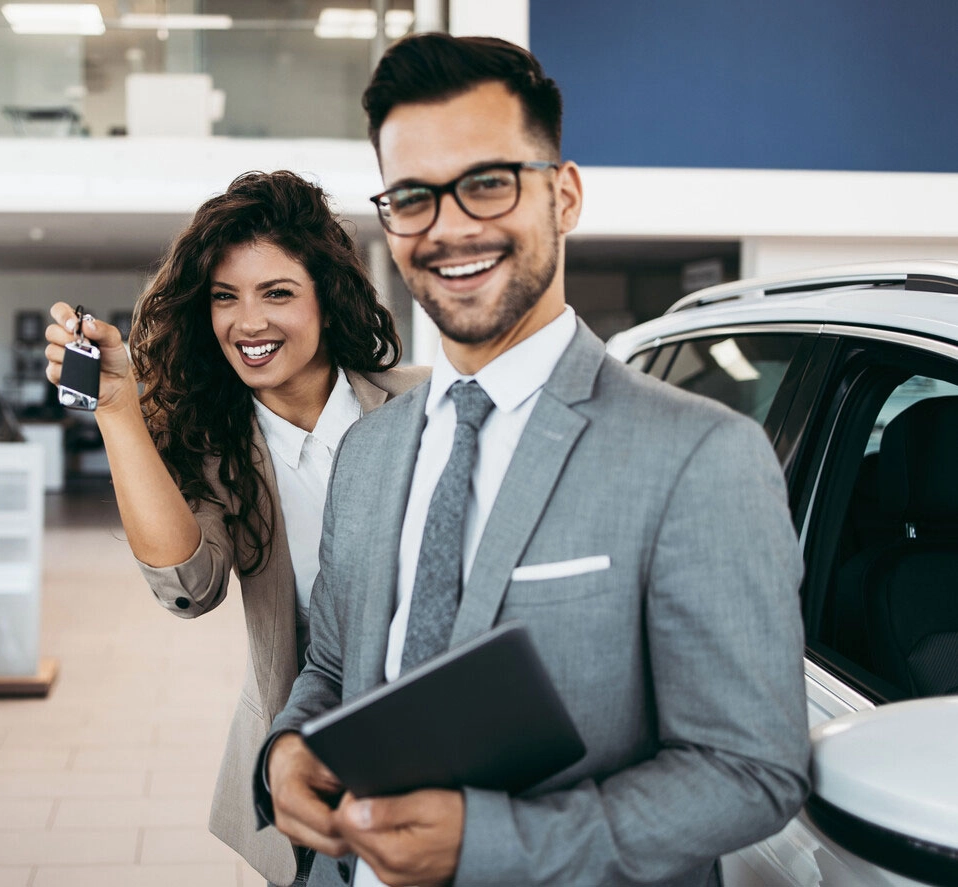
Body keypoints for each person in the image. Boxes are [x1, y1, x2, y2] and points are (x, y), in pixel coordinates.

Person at [255, 34, 810, 887]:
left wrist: (491, 840)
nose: (449, 228)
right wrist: (288, 750)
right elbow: (333, 666)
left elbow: (749, 771)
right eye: (413, 197)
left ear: (565, 195)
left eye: (487, 183)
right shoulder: (368, 450)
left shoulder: (700, 456)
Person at [43, 170, 428, 886]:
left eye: (277, 292)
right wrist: (117, 407)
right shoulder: (216, 449)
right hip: (311, 760)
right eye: (226, 297)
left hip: (440, 740)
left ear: (326, 296)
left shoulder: (424, 406)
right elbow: (189, 585)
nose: (247, 323)